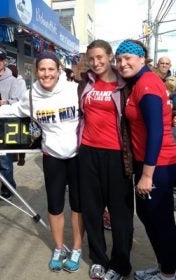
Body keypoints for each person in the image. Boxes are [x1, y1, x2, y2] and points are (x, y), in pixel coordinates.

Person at [0, 51, 83, 273]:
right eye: (42, 70)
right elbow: (15, 109)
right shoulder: (31, 95)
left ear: (59, 70)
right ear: (36, 72)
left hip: (78, 156)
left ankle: (77, 247)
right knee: (54, 206)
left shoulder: (74, 90)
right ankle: (59, 247)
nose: (46, 74)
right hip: (52, 156)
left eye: (51, 69)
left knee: (77, 206)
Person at [115, 39, 176, 280]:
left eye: (127, 58)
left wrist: (147, 174)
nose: (122, 63)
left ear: (142, 59)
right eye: (119, 59)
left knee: (160, 220)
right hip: (148, 162)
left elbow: (157, 132)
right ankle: (165, 265)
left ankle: (169, 273)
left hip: (158, 164)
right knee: (148, 215)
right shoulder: (139, 82)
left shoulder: (147, 84)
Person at [78, 39, 134, 280]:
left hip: (116, 154)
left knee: (120, 213)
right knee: (92, 210)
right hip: (88, 152)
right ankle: (99, 259)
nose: (96, 62)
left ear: (110, 56)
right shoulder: (85, 83)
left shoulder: (125, 84)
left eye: (100, 57)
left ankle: (120, 264)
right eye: (91, 58)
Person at [0, 48, 23, 199]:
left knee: (4, 160)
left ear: (6, 61)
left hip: (4, 124)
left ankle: (8, 187)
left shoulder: (14, 80)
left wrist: (7, 101)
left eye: (1, 59)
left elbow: (19, 102)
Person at [7, 64, 27, 166]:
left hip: (19, 112)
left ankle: (21, 157)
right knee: (12, 135)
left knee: (20, 136)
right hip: (10, 111)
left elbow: (22, 97)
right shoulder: (8, 81)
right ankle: (14, 155)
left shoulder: (20, 81)